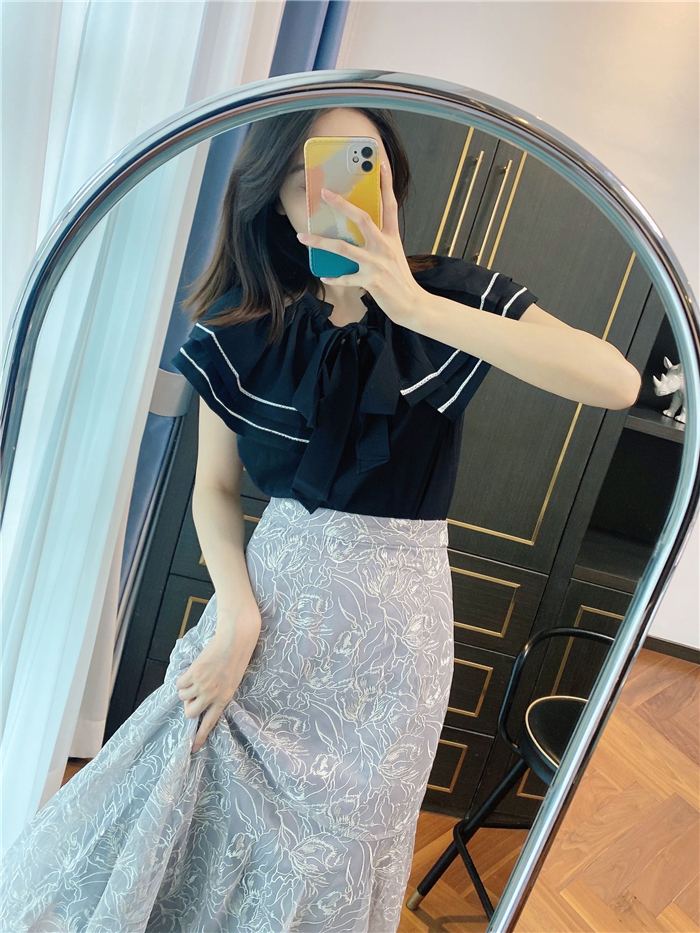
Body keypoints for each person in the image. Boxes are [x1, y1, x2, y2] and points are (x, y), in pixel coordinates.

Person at [0, 106, 640, 933]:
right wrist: (236, 616)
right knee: (181, 828)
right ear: (275, 195)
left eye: (357, 165)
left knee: (336, 870)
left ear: (388, 179)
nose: (337, 195)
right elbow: (213, 489)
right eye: (311, 177)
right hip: (257, 638)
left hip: (389, 671)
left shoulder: (451, 295)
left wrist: (414, 307)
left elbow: (615, 380)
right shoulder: (244, 321)